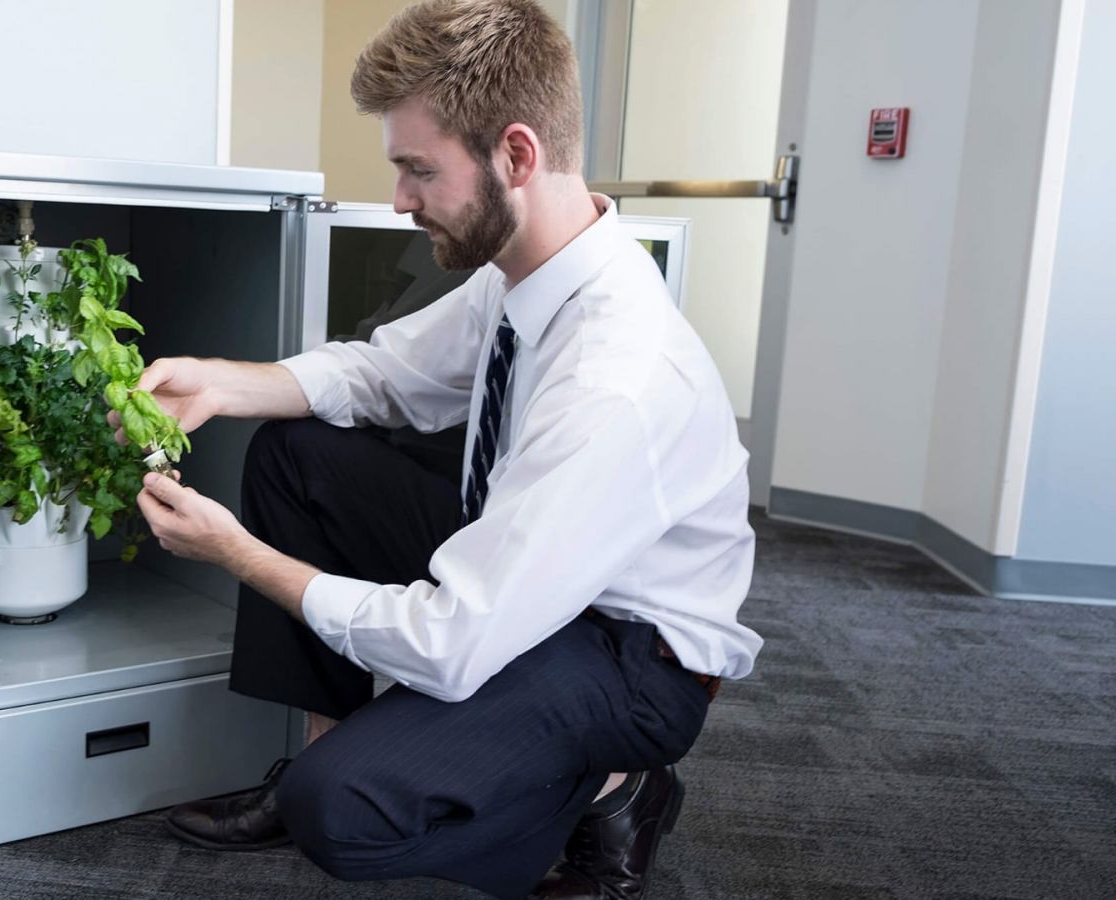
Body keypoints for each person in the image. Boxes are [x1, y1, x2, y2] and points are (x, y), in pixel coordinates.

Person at [112, 1, 762, 897]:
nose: (400, 199)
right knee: (295, 454)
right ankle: (328, 744)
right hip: (535, 575)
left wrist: (237, 553)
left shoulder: (617, 376)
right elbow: (388, 375)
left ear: (517, 156)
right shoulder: (526, 273)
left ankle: (615, 787)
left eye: (420, 170)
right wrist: (222, 383)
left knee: (339, 814)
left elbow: (453, 641)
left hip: (629, 657)